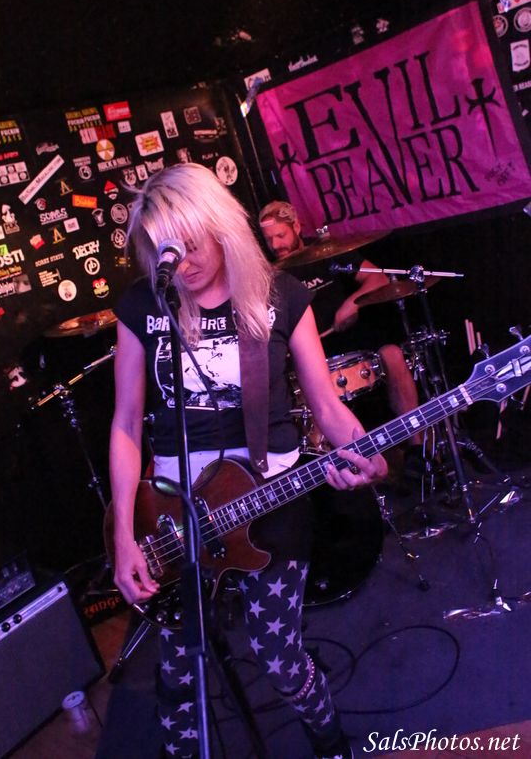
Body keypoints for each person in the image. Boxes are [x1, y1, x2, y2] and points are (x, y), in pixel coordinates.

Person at [109, 164, 387, 759]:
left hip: (269, 495)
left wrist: (362, 450)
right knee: (178, 672)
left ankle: (331, 742)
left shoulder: (279, 295)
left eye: (192, 244)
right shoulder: (143, 305)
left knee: (277, 654)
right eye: (167, 252)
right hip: (175, 517)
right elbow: (126, 423)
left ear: (221, 226)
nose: (184, 265)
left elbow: (326, 406)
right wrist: (125, 538)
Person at [258, 201, 422, 452]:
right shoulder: (273, 277)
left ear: (297, 227)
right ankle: (329, 459)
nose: (276, 245)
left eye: (281, 235)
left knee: (393, 354)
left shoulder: (328, 252)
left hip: (349, 336)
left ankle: (416, 450)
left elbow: (378, 277)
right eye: (269, 239)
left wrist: (351, 304)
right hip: (309, 350)